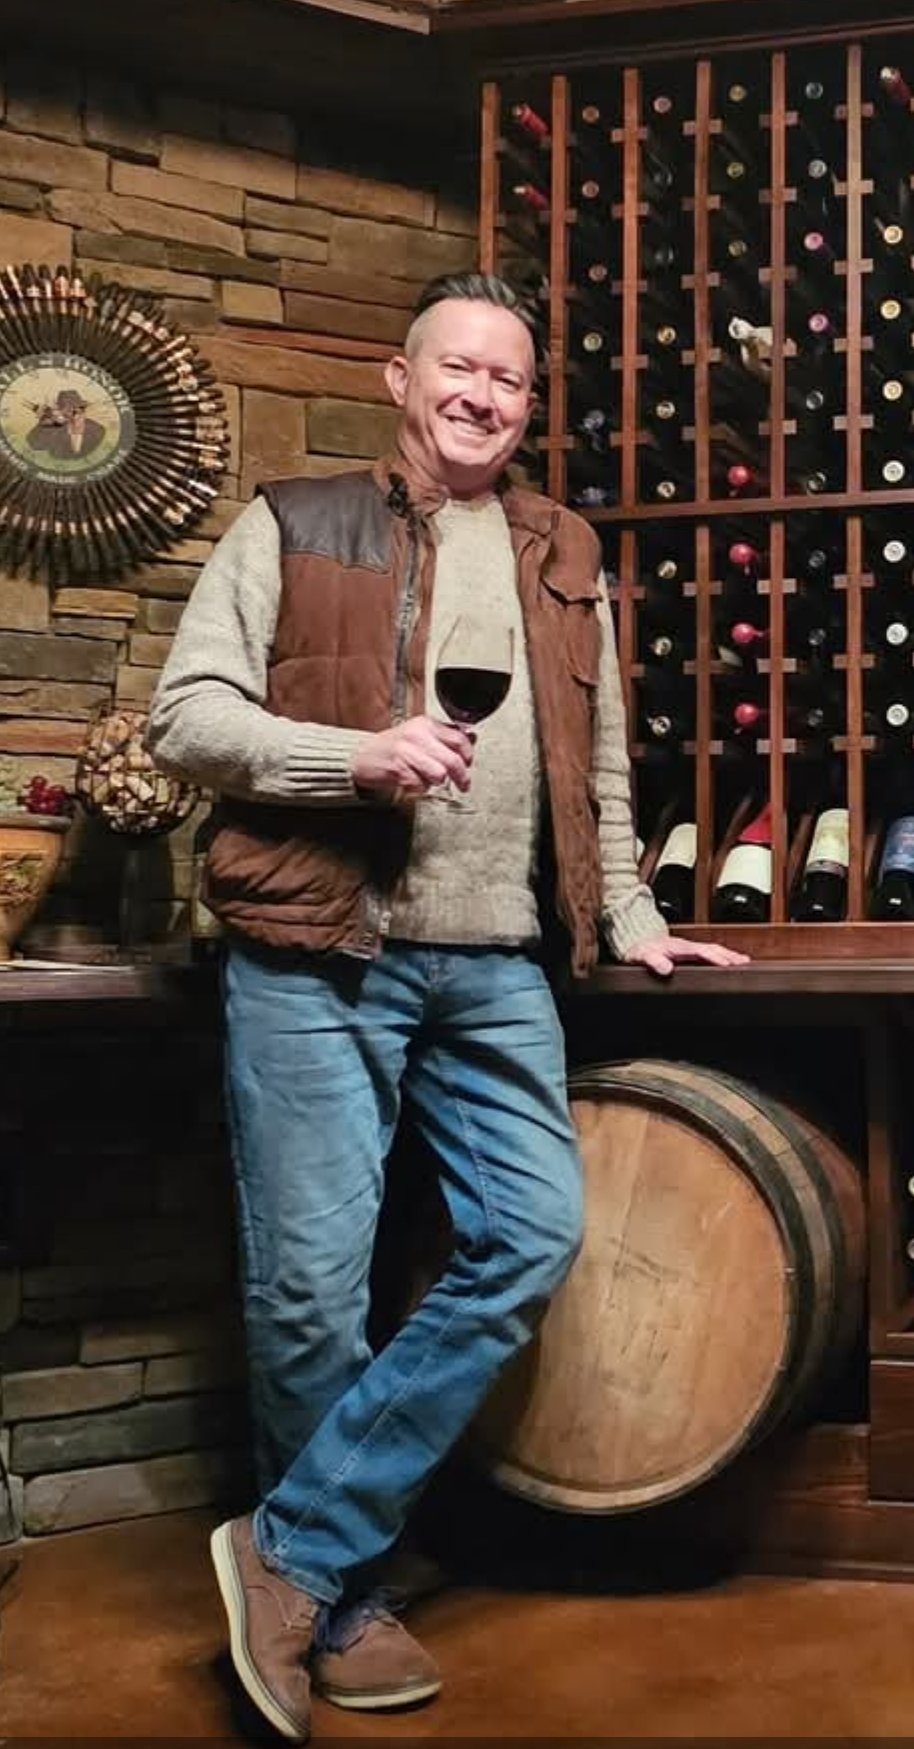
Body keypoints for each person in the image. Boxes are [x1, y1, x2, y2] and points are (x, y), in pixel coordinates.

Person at [147, 271, 749, 1744]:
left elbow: (596, 758)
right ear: (400, 383)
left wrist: (633, 910)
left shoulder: (564, 548)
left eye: (514, 381)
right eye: (460, 370)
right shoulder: (295, 522)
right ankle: (340, 1605)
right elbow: (186, 719)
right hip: (317, 946)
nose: (486, 396)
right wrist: (350, 759)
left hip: (495, 961)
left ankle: (287, 1548)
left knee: (531, 1231)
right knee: (309, 1289)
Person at [26, 387, 105, 460]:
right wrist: (43, 423)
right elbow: (34, 445)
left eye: (77, 408)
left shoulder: (98, 430)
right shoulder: (52, 428)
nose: (74, 412)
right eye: (67, 408)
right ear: (60, 410)